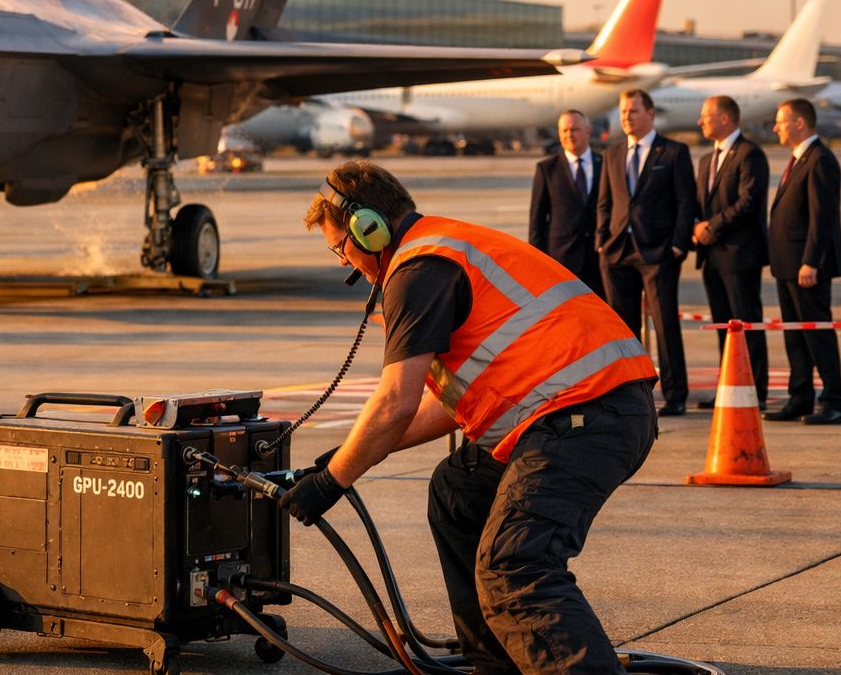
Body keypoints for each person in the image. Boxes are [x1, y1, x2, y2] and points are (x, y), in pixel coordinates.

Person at [284, 160, 657, 675]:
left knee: (515, 566)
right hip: (591, 410)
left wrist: (333, 481)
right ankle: (496, 665)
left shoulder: (420, 268)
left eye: (339, 247)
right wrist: (352, 454)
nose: (344, 262)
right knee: (459, 490)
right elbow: (445, 404)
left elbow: (396, 403)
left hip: (583, 416)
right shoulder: (440, 248)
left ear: (367, 229)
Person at [596, 88, 697, 416]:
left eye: (633, 111)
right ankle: (632, 396)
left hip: (658, 252)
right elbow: (605, 203)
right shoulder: (612, 154)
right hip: (618, 252)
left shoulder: (673, 152)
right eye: (624, 111)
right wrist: (602, 239)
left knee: (665, 324)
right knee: (624, 328)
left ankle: (675, 394)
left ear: (650, 114)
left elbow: (686, 202)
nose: (626, 117)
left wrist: (679, 244)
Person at [765, 98, 841, 425]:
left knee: (817, 334)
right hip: (788, 264)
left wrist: (811, 261)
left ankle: (833, 401)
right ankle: (800, 397)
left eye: (781, 121)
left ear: (800, 123)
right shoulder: (799, 159)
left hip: (806, 267)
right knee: (794, 335)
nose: (775, 128)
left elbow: (821, 217)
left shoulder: (820, 160)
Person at [693, 95, 770, 409]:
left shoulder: (750, 154)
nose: (700, 122)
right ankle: (730, 390)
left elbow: (748, 202)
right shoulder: (706, 159)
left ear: (725, 119)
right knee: (724, 328)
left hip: (740, 255)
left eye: (705, 116)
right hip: (712, 256)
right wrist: (696, 227)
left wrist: (712, 225)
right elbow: (699, 203)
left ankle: (755, 392)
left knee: (746, 327)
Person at [528, 108, 605, 300]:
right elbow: (537, 220)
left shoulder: (605, 164)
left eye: (575, 129)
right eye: (564, 131)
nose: (569, 135)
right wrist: (538, 261)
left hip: (599, 259)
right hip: (562, 259)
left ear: (587, 131)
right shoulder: (546, 169)